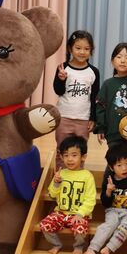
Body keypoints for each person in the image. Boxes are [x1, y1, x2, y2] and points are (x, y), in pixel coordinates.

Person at [39, 135, 97, 254]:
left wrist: (80, 214)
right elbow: (52, 195)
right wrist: (56, 183)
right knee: (45, 224)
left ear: (83, 157)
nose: (69, 159)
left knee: (81, 228)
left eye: (74, 155)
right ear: (61, 157)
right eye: (66, 155)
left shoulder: (87, 176)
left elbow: (90, 199)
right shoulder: (61, 174)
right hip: (61, 213)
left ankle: (79, 246)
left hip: (79, 214)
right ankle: (56, 244)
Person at [53, 30, 100, 168]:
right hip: (64, 117)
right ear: (70, 48)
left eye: (86, 49)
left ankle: (78, 178)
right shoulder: (63, 68)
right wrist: (61, 79)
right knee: (62, 150)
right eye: (78, 48)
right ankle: (60, 178)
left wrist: (93, 118)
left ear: (91, 51)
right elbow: (58, 91)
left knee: (80, 152)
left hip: (83, 119)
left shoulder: (93, 72)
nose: (82, 52)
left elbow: (94, 97)